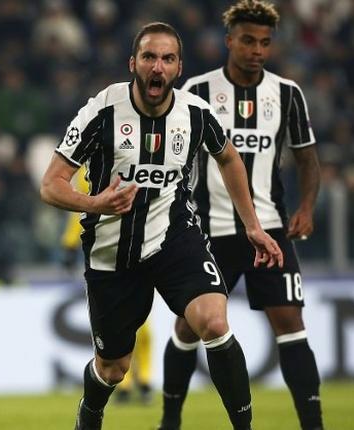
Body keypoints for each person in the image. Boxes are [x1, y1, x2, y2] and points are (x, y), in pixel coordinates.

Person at [41, 22, 284, 430]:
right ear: (133, 63)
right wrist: (95, 202)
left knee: (215, 321)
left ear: (178, 67)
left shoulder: (195, 114)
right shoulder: (102, 110)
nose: (158, 67)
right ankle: (91, 411)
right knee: (114, 368)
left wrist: (253, 226)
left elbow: (228, 158)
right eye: (150, 57)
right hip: (111, 251)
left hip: (175, 238)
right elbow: (50, 184)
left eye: (167, 59)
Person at [159, 2, 323, 430]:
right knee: (189, 328)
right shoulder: (195, 90)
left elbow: (308, 159)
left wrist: (306, 206)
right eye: (248, 40)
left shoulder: (288, 93)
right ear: (230, 40)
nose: (257, 50)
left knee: (291, 324)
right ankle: (170, 421)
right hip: (209, 232)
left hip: (269, 228)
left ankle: (314, 425)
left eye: (265, 42)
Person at [60, 165, 153, 405]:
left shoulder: (134, 157)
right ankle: (128, 383)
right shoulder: (84, 169)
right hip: (103, 251)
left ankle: (143, 379)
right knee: (116, 321)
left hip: (138, 245)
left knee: (140, 321)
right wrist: (70, 243)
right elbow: (79, 209)